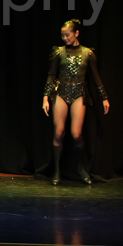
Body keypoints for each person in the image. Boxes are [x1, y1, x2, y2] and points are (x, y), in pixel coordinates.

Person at [41, 18, 110, 185]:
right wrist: (45, 97)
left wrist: (104, 97)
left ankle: (81, 168)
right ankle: (57, 171)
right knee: (58, 133)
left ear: (76, 33)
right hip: (61, 91)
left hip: (79, 92)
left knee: (76, 134)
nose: (65, 38)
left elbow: (96, 77)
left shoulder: (87, 53)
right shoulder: (59, 52)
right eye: (62, 35)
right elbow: (51, 75)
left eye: (68, 35)